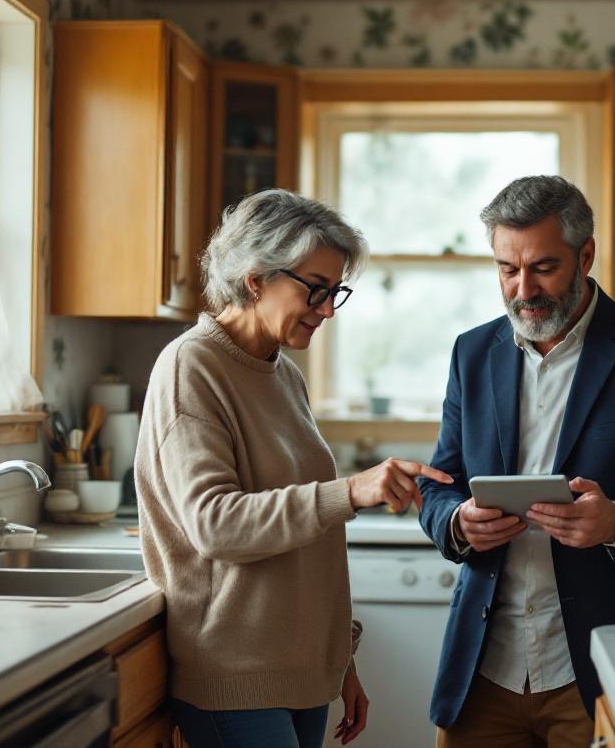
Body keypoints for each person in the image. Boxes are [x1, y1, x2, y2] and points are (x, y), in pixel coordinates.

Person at [417, 175, 615, 748]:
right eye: (507, 269)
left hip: (608, 671)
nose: (523, 290)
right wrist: (457, 522)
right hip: (484, 669)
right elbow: (440, 484)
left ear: (585, 256)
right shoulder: (472, 352)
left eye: (543, 268)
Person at [136, 189, 454, 748]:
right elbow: (215, 525)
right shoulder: (192, 366)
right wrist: (349, 491)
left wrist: (340, 662)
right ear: (256, 278)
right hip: (235, 674)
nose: (328, 310)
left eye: (335, 292)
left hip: (301, 674)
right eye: (315, 289)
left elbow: (312, 548)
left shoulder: (283, 374)